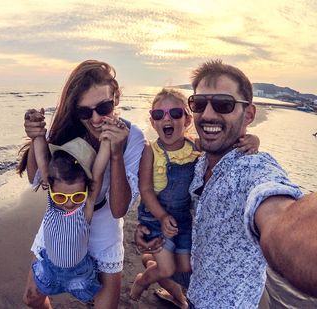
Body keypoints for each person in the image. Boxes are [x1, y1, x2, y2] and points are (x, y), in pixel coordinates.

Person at [135, 59, 317, 308]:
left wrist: (296, 234)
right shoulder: (199, 162)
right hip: (197, 288)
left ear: (249, 114)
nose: (208, 114)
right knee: (164, 261)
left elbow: (277, 211)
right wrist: (151, 225)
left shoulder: (253, 169)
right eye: (199, 104)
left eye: (224, 104)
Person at [18, 60, 145, 308]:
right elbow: (37, 178)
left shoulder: (133, 137)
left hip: (104, 226)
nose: (96, 119)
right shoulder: (70, 130)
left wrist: (116, 153)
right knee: (32, 298)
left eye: (104, 107)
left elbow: (119, 209)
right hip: (60, 220)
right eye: (85, 112)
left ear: (116, 98)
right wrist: (36, 137)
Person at [129, 89, 259, 306]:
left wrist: (253, 139)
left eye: (175, 113)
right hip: (155, 216)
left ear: (188, 120)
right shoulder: (151, 151)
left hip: (183, 218)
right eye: (159, 115)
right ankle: (143, 281)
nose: (167, 119)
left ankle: (154, 266)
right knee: (168, 268)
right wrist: (161, 217)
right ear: (153, 122)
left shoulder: (195, 146)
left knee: (185, 266)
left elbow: (229, 143)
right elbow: (146, 190)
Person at [26, 130, 110, 302]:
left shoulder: (85, 208)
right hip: (50, 268)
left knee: (87, 295)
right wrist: (39, 135)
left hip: (79, 272)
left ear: (86, 191)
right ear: (51, 189)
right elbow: (42, 160)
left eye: (77, 196)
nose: (69, 203)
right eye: (60, 197)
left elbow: (99, 171)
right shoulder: (52, 204)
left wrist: (107, 142)